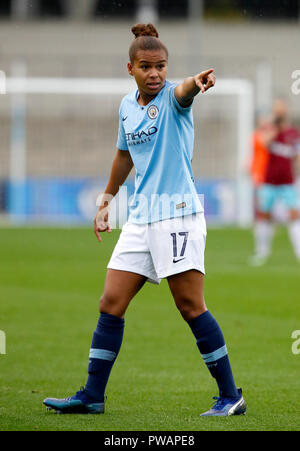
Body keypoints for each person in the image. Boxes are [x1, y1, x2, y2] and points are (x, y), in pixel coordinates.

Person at [43, 23, 246, 417]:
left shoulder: (174, 97)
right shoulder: (126, 107)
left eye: (161, 66)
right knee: (110, 302)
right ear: (130, 68)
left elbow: (186, 90)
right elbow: (123, 156)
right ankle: (92, 395)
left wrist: (196, 81)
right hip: (140, 218)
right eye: (147, 66)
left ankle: (230, 395)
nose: (155, 73)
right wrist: (106, 200)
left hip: (178, 215)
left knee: (190, 305)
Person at [249, 99, 300, 266]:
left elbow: (296, 157)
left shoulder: (294, 133)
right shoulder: (268, 131)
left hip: (288, 182)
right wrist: (273, 126)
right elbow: (264, 143)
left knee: (294, 216)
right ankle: (262, 252)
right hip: (268, 181)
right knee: (264, 216)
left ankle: (298, 251)